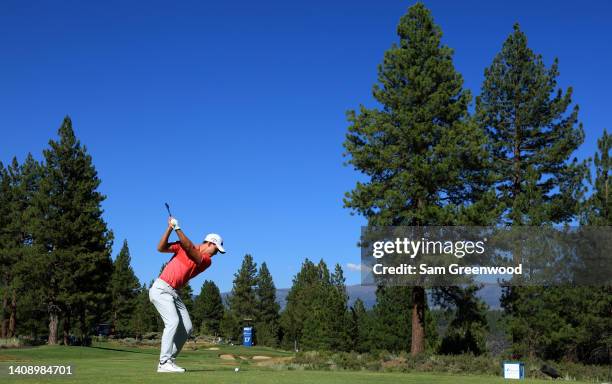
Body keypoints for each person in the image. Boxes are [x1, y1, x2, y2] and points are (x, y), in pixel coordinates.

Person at [149, 216, 226, 373]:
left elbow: (191, 250)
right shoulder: (182, 247)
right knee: (172, 322)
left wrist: (178, 228)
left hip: (173, 293)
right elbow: (160, 248)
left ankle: (169, 360)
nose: (216, 254)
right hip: (161, 289)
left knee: (187, 328)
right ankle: (164, 363)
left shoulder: (206, 260)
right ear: (210, 243)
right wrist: (170, 228)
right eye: (216, 250)